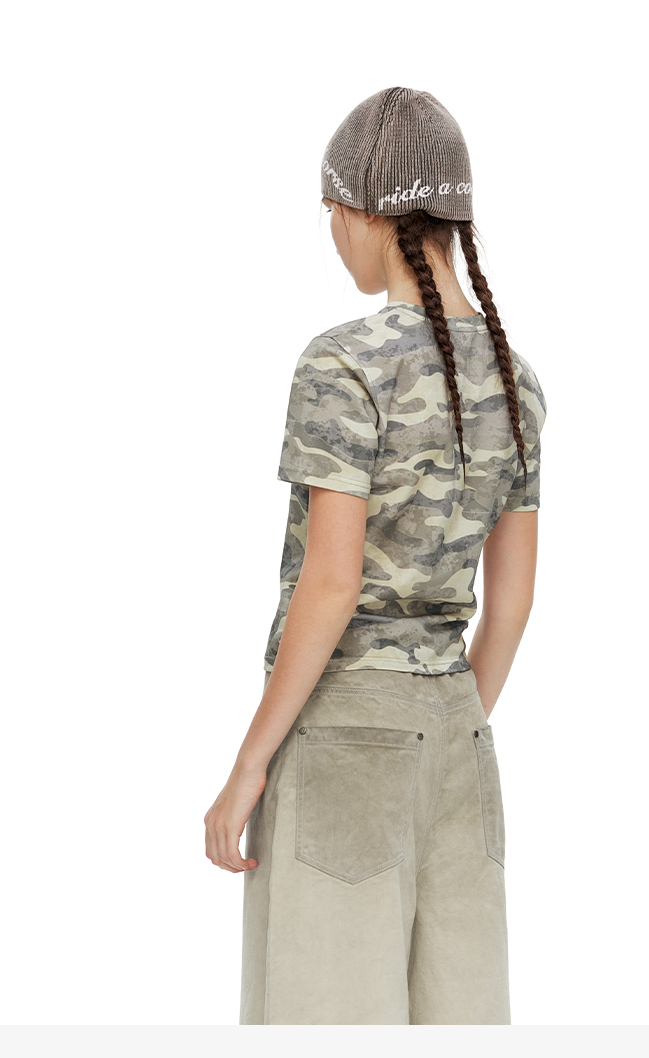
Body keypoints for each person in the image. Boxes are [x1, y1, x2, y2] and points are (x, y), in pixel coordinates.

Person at [203, 86, 547, 1026]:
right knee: (459, 1022)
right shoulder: (516, 379)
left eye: (332, 211)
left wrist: (248, 764)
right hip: (462, 736)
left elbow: (332, 582)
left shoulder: (343, 362)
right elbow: (512, 605)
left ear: (366, 214)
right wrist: (442, 723)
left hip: (344, 733)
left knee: (327, 1022)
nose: (332, 234)